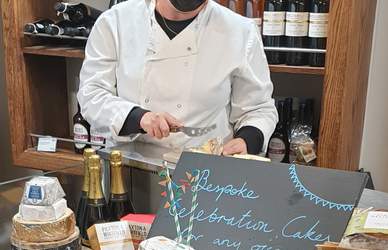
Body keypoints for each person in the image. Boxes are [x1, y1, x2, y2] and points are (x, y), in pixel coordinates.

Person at [77, 0, 278, 156]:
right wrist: (140, 118)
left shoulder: (240, 31)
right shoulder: (116, 22)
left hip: (205, 172)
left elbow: (258, 108)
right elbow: (92, 94)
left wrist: (247, 140)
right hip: (131, 167)